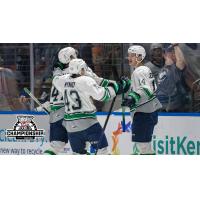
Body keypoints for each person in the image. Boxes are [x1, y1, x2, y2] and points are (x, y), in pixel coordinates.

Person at [53, 58, 124, 155]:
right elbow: (101, 95)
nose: (85, 71)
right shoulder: (85, 80)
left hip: (70, 126)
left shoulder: (62, 80)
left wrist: (57, 70)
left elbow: (55, 79)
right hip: (88, 124)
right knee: (102, 151)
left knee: (78, 154)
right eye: (83, 69)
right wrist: (115, 88)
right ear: (81, 69)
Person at [121, 45, 162, 155]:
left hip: (144, 112)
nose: (129, 58)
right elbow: (142, 87)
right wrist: (129, 84)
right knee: (143, 145)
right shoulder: (142, 70)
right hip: (147, 111)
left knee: (143, 146)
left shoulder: (139, 71)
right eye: (128, 55)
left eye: (132, 56)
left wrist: (133, 97)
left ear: (140, 56)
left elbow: (146, 88)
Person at [156, 44, 187, 112]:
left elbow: (181, 62)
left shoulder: (174, 68)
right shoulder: (163, 70)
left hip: (174, 109)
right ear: (164, 54)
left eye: (174, 51)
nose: (174, 53)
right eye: (171, 51)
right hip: (164, 110)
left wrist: (175, 46)